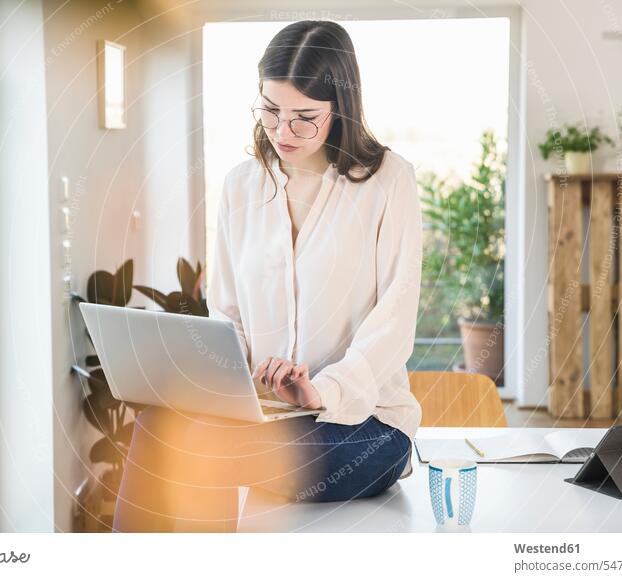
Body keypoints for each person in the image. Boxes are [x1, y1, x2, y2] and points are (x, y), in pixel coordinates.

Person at [112, 20, 423, 533]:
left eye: (305, 118)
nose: (282, 132)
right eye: (271, 110)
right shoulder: (240, 187)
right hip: (264, 420)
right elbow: (227, 313)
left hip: (363, 428)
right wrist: (220, 382)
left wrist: (321, 391)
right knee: (157, 426)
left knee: (195, 454)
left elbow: (395, 317)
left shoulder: (388, 181)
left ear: (339, 109)